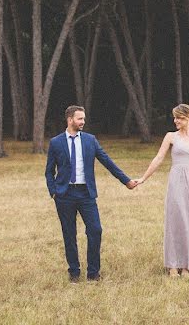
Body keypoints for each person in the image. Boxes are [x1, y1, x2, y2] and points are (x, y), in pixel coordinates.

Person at [45, 105, 137, 283]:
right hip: (64, 195)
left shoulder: (90, 140)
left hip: (86, 194)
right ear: (70, 119)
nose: (83, 122)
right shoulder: (56, 142)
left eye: (84, 119)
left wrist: (126, 181)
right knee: (69, 234)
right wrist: (54, 192)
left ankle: (93, 274)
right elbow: (49, 171)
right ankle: (74, 272)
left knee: (95, 230)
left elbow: (107, 162)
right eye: (80, 119)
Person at [133, 103, 189, 276]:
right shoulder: (171, 137)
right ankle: (173, 265)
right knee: (176, 220)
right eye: (175, 117)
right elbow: (158, 158)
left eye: (179, 117)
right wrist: (143, 178)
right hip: (176, 181)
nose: (176, 121)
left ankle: (186, 265)